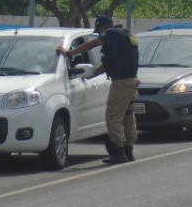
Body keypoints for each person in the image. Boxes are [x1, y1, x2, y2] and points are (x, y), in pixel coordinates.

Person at [57, 16, 139, 163]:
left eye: (99, 31)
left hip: (121, 84)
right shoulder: (126, 36)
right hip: (132, 82)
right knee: (127, 116)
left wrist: (70, 53)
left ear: (103, 27)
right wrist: (94, 74)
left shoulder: (112, 34)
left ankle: (119, 152)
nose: (100, 34)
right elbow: (111, 63)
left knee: (113, 117)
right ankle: (128, 150)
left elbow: (93, 44)